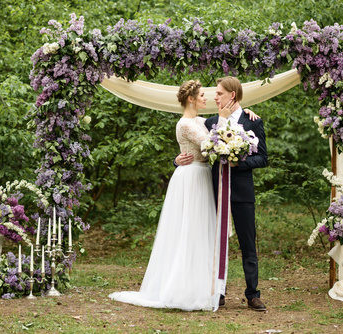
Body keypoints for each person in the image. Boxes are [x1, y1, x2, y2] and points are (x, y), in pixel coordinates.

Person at [109, 80, 257, 311]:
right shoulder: (185, 124)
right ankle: (183, 286)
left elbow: (220, 128)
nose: (207, 98)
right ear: (191, 99)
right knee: (188, 231)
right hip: (191, 179)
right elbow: (212, 142)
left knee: (202, 233)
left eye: (212, 94)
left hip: (203, 178)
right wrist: (177, 159)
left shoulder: (201, 121)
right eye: (202, 95)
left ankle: (203, 286)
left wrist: (242, 112)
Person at [176, 76, 268, 311]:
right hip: (214, 190)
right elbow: (192, 144)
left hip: (241, 192)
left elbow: (263, 158)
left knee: (248, 243)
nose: (214, 97)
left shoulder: (252, 122)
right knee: (215, 243)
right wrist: (176, 161)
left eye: (219, 93)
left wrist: (240, 163)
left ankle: (253, 294)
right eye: (214, 94)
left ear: (232, 96)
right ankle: (218, 292)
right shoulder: (210, 122)